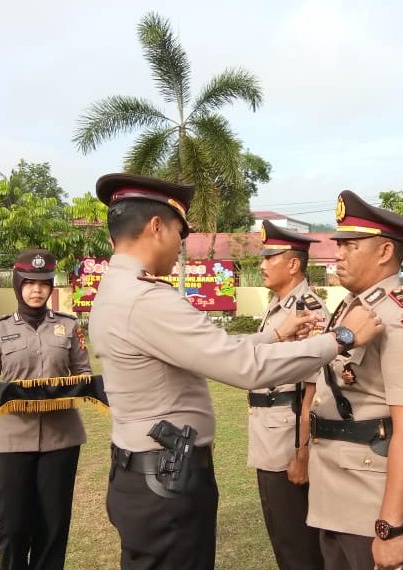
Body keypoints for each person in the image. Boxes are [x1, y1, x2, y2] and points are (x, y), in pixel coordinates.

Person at [87, 174, 382, 570]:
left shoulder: (116, 291)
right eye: (179, 232)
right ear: (156, 227)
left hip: (148, 474)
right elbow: (243, 367)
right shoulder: (146, 299)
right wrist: (342, 337)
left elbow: (214, 350)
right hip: (164, 483)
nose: (180, 245)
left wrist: (276, 334)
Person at [306, 190, 403, 570]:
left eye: (351, 245)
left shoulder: (401, 318)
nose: (338, 254)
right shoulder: (352, 308)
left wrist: (390, 527)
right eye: (339, 244)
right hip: (336, 495)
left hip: (373, 501)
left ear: (383, 252)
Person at [0, 248, 91, 570]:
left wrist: (71, 387)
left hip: (61, 439)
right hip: (12, 440)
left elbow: (84, 372)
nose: (36, 290)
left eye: (44, 283)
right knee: (13, 524)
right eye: (29, 283)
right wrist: (7, 395)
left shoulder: (68, 327)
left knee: (53, 526)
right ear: (18, 284)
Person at [249, 220, 327, 570]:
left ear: (293, 264)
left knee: (299, 547)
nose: (262, 265)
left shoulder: (308, 310)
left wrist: (303, 452)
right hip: (269, 436)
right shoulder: (278, 307)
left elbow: (313, 390)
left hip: (287, 442)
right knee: (285, 540)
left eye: (270, 257)